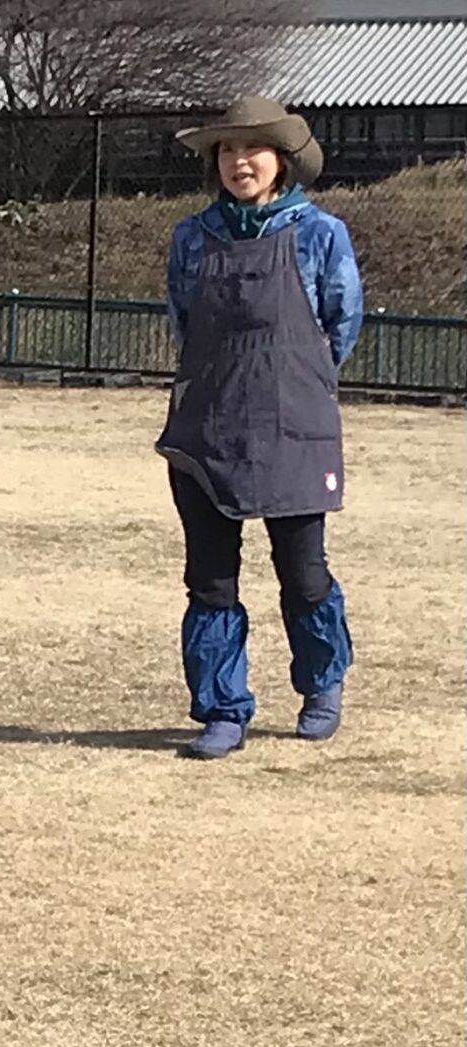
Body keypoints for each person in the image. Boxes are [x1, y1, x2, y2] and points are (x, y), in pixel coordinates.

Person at [156, 95, 363, 760]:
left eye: (253, 148)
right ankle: (222, 707)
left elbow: (341, 323)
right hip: (207, 426)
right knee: (210, 578)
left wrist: (295, 378)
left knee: (303, 573)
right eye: (227, 149)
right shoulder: (192, 237)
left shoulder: (321, 234)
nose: (239, 161)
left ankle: (321, 683)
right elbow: (183, 319)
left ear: (283, 159)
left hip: (294, 423)